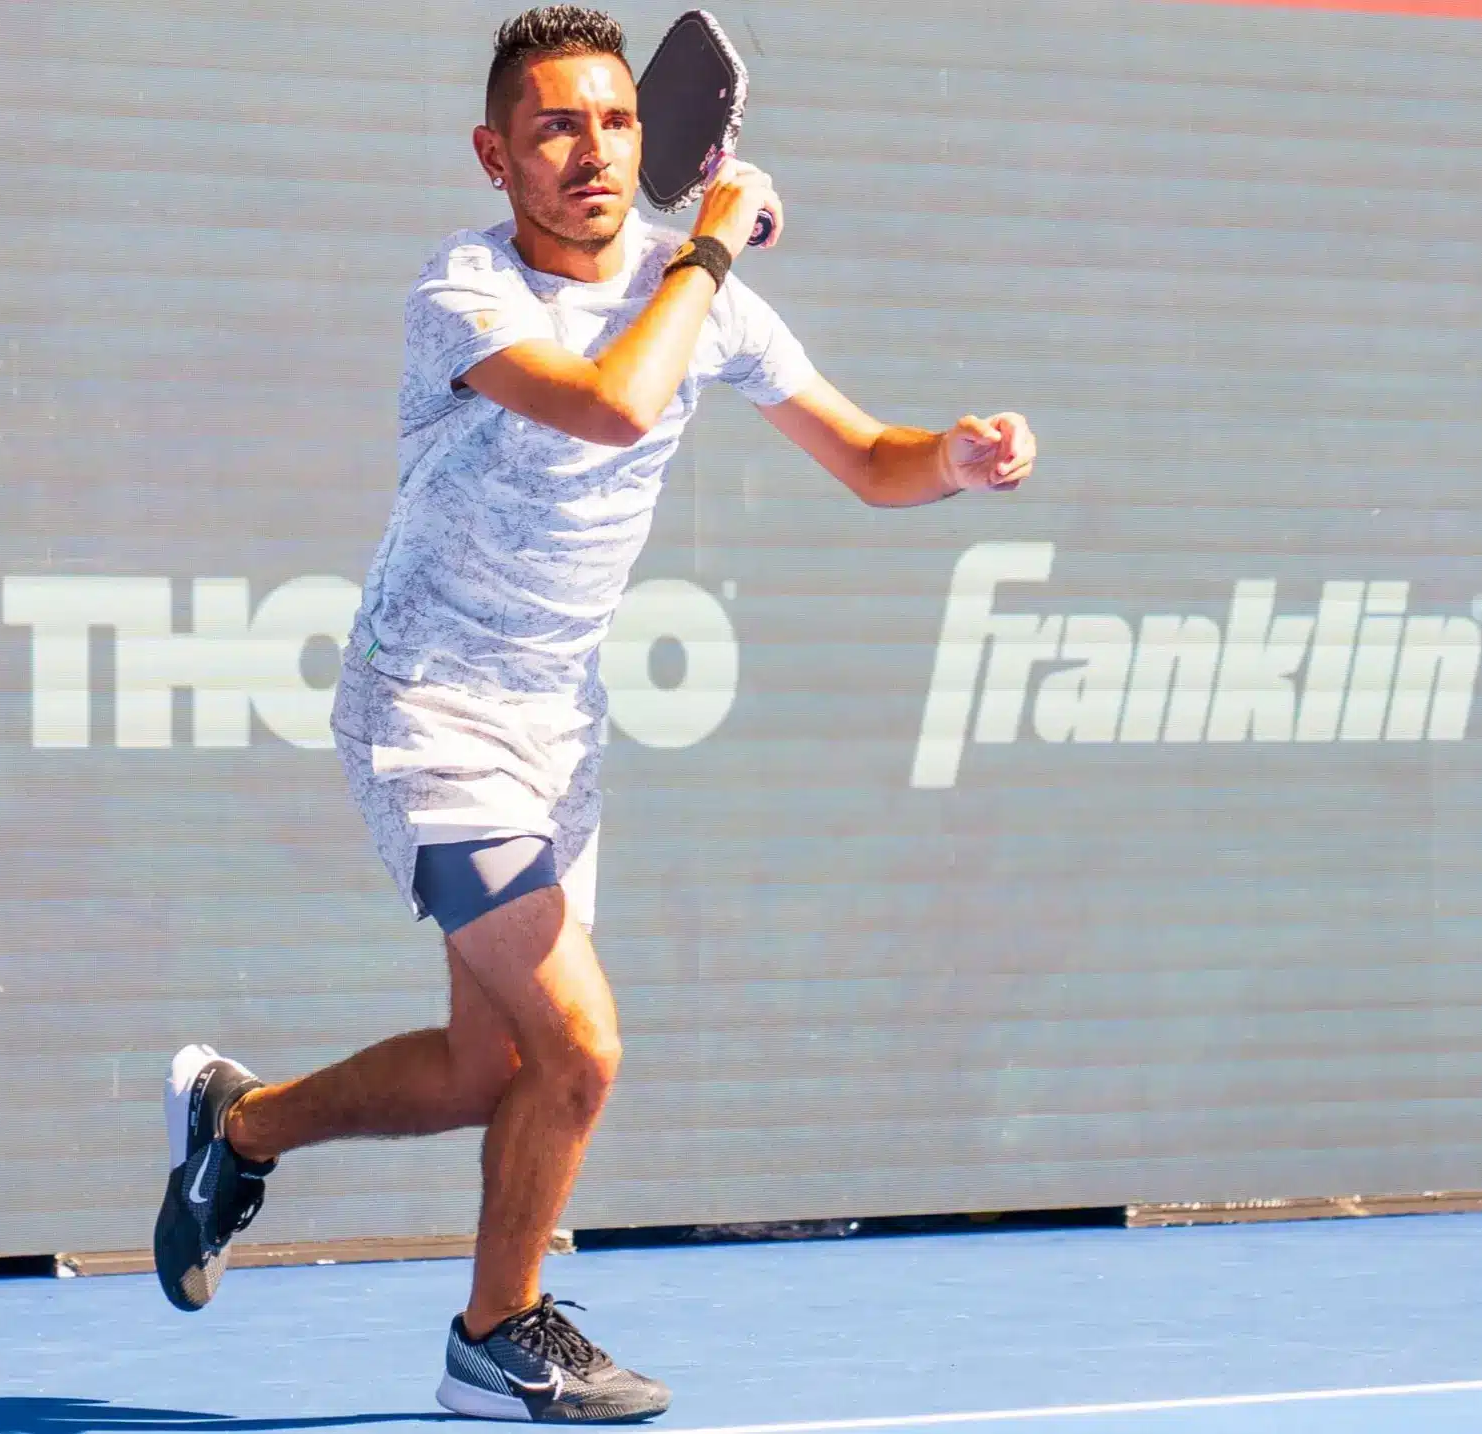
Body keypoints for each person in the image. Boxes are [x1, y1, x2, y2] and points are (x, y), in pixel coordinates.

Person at [152, 4, 1036, 1422]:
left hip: (558, 729)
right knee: (582, 1048)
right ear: (493, 156)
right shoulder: (463, 292)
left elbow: (869, 457)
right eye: (557, 126)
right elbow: (616, 405)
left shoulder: (704, 298)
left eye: (618, 121)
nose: (595, 150)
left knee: (481, 1066)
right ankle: (492, 1335)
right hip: (426, 711)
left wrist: (959, 457)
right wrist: (704, 247)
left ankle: (234, 1124)